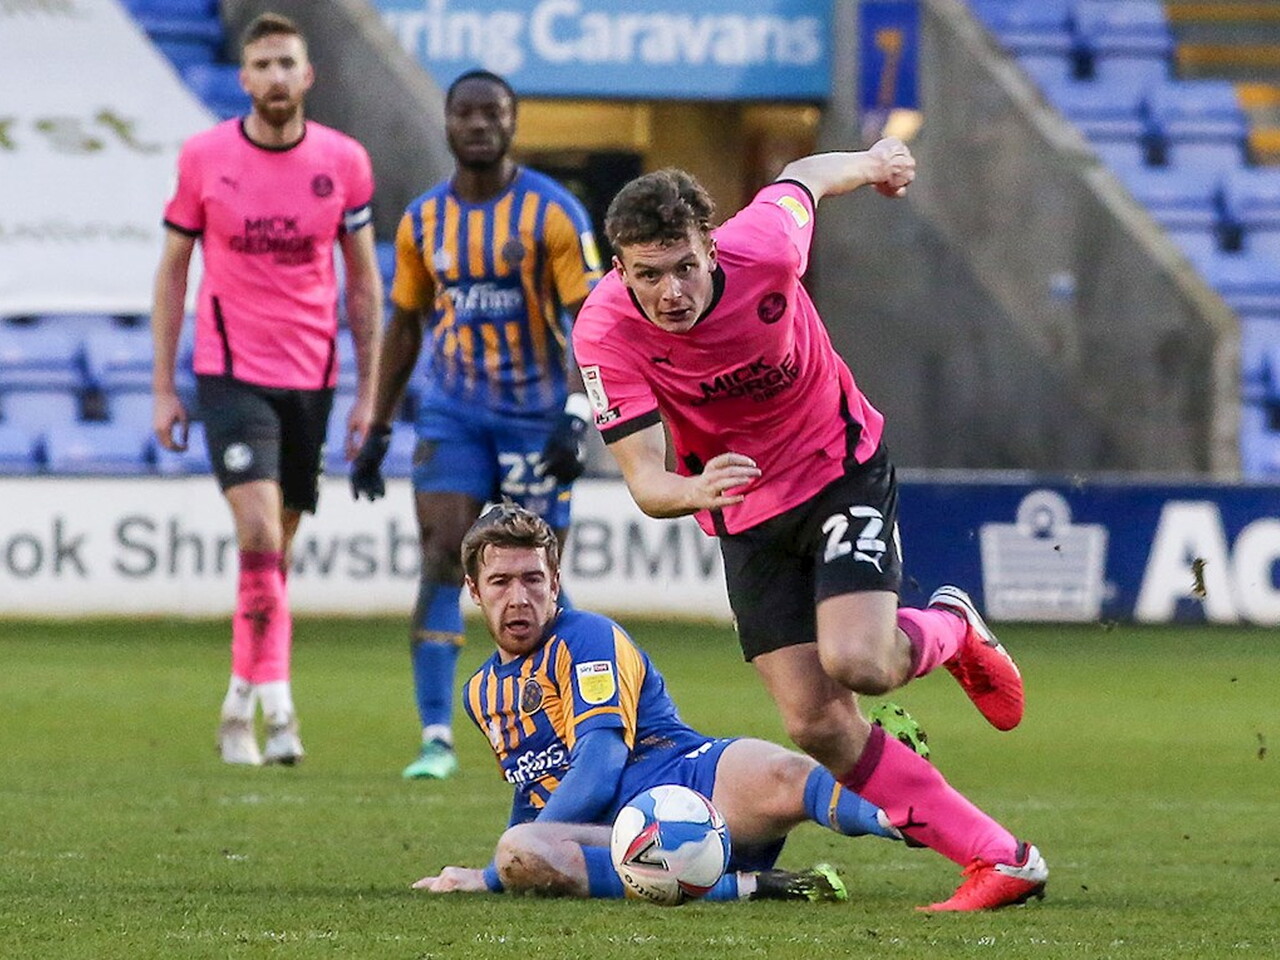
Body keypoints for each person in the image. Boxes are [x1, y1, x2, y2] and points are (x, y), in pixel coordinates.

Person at [569, 142, 1049, 911]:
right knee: (816, 722)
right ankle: (1001, 859)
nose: (671, 292)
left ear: (710, 245)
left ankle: (953, 629)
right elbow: (647, 483)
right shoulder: (603, 330)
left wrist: (875, 161)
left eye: (684, 267)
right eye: (648, 275)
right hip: (741, 508)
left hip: (838, 468)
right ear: (620, 270)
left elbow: (804, 178)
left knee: (860, 663)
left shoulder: (764, 245)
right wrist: (695, 490)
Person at [412, 504, 920, 902]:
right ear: (474, 590)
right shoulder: (480, 693)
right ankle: (753, 887)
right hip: (614, 837)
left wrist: (493, 874)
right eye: (501, 582)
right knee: (522, 849)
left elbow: (600, 764)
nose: (519, 597)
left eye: (533, 579)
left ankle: (906, 811)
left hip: (686, 779)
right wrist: (508, 864)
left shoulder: (587, 636)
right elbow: (533, 796)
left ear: (556, 582)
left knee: (787, 772)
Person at [349, 70, 602, 781]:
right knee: (442, 553)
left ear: (514, 121)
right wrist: (376, 428)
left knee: (536, 576)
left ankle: (574, 721)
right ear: (448, 122)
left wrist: (577, 416)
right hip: (453, 413)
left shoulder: (555, 213)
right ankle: (436, 736)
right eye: (467, 112)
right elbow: (405, 323)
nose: (480, 124)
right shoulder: (423, 220)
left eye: (494, 112)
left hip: (533, 419)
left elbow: (590, 321)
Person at [150, 12, 383, 767]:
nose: (276, 76)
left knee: (273, 559)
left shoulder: (344, 162)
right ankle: (281, 709)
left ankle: (236, 706)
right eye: (263, 64)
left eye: (287, 63)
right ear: (244, 77)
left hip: (311, 378)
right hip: (229, 372)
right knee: (256, 537)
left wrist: (368, 391)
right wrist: (163, 385)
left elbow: (363, 283)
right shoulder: (204, 157)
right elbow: (173, 271)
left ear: (307, 75)